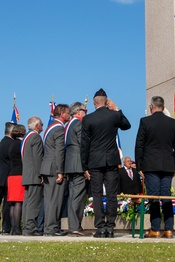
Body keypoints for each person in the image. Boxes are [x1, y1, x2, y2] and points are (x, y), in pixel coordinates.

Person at [80, 88, 132, 238]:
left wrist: (84, 166)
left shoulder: (88, 119)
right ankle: (110, 226)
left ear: (95, 103)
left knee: (96, 195)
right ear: (106, 102)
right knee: (111, 194)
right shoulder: (114, 116)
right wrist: (117, 109)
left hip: (94, 162)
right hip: (111, 160)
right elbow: (127, 125)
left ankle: (100, 227)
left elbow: (85, 145)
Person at [134, 95, 175, 238]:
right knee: (166, 196)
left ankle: (155, 229)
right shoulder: (173, 123)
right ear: (163, 106)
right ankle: (169, 229)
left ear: (151, 107)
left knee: (154, 197)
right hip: (168, 165)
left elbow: (139, 145)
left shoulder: (145, 121)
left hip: (150, 165)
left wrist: (139, 166)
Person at [41, 105, 69, 236]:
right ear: (62, 114)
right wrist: (60, 171)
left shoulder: (50, 127)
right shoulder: (58, 128)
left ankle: (49, 227)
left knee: (49, 199)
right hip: (54, 168)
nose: (69, 115)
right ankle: (52, 228)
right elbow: (59, 151)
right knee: (55, 200)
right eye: (68, 113)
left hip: (47, 167)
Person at [64, 102, 89, 236]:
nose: (86, 112)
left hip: (71, 165)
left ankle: (74, 226)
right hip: (78, 165)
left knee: (74, 196)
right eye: (85, 110)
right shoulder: (78, 123)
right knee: (77, 197)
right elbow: (83, 144)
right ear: (78, 111)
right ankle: (75, 227)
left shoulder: (68, 124)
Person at [21, 118, 45, 235]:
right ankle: (31, 227)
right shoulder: (36, 137)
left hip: (27, 174)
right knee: (34, 203)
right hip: (34, 175)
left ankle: (27, 226)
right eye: (41, 125)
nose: (42, 127)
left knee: (27, 202)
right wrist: (41, 174)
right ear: (37, 126)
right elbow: (38, 158)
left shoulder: (26, 137)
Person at [5, 124, 26, 234]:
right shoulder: (20, 144)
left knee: (13, 203)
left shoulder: (12, 144)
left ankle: (14, 227)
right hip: (19, 174)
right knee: (18, 202)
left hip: (11, 174)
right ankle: (17, 227)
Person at [0, 122, 17, 234]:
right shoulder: (10, 143)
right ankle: (7, 227)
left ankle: (6, 226)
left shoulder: (3, 142)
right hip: (8, 176)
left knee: (6, 203)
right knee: (9, 204)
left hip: (2, 176)